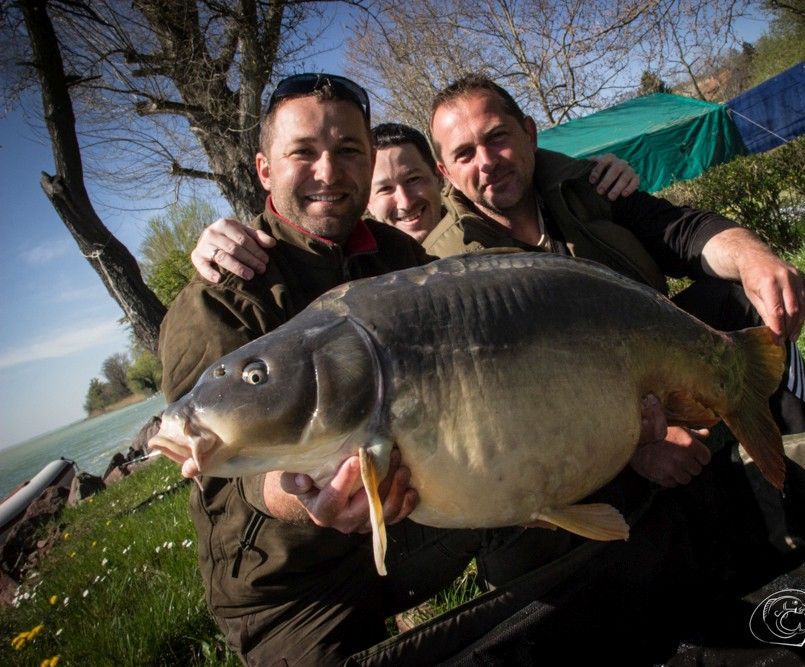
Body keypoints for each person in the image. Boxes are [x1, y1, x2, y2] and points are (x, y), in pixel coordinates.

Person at [158, 72, 707, 665]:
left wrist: (579, 171)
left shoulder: (399, 259)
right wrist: (304, 491)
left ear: (369, 160)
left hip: (422, 520)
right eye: (303, 152)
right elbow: (228, 476)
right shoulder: (218, 292)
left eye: (348, 151)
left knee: (569, 552)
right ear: (264, 170)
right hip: (294, 585)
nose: (328, 171)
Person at [192, 121, 638, 282]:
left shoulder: (492, 218)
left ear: (440, 178)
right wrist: (217, 240)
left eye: (414, 179)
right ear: (366, 197)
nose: (404, 200)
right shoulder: (375, 267)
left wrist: (596, 170)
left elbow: (514, 165)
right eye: (384, 188)